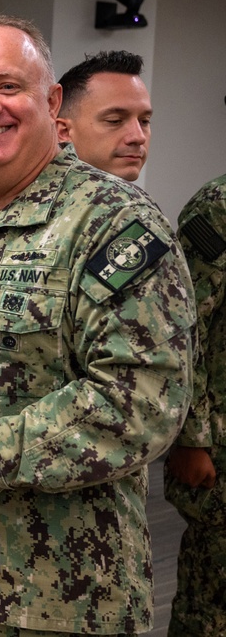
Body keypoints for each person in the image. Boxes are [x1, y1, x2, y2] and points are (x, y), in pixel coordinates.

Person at [0, 14, 195, 635]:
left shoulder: (115, 224)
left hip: (63, 598)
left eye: (8, 86)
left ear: (52, 104)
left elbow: (139, 405)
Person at [164, 173, 226, 636]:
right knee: (212, 597)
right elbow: (185, 327)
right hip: (220, 437)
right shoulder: (218, 205)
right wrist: (191, 437)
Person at [56, 50, 152, 182]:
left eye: (144, 121)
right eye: (115, 121)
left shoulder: (133, 202)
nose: (139, 137)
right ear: (64, 131)